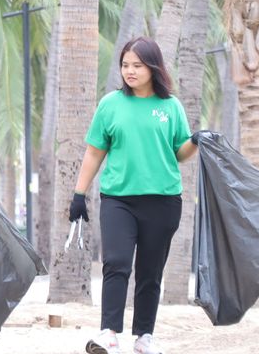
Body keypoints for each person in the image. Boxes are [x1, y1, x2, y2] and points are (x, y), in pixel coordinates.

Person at [69, 37, 209, 354]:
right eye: (125, 65)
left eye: (137, 65)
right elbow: (94, 152)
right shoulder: (110, 105)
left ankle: (144, 337)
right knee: (116, 262)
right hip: (118, 199)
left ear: (153, 68)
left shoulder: (170, 107)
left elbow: (179, 152)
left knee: (150, 271)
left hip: (163, 201)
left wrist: (195, 140)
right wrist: (79, 194)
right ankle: (108, 333)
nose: (129, 71)